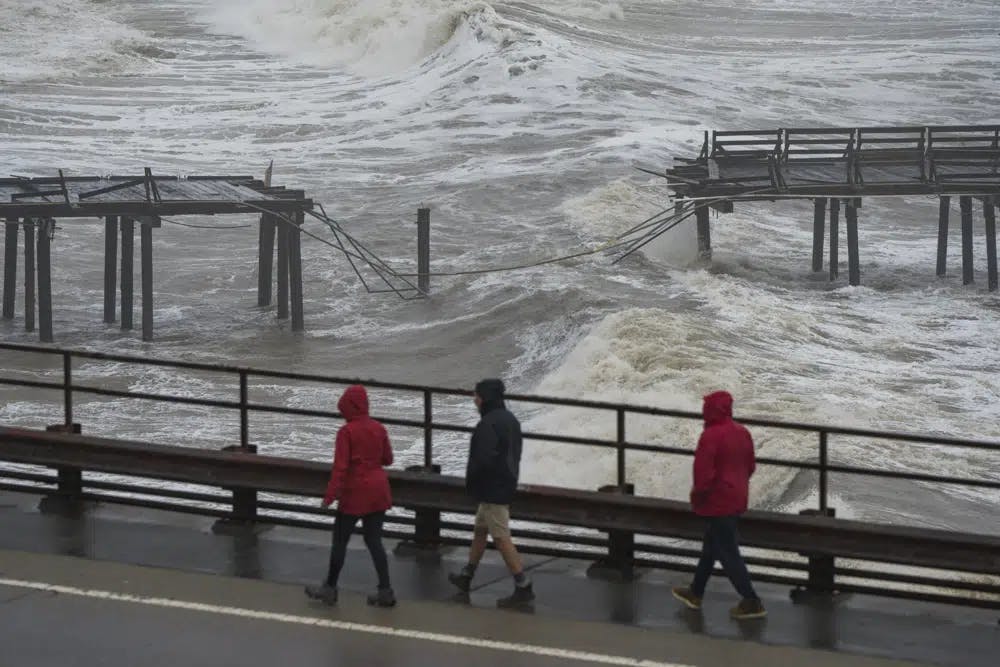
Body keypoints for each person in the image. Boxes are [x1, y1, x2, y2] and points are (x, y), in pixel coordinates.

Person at [672, 390, 766, 620]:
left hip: (717, 500)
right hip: (737, 497)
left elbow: (703, 476)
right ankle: (695, 592)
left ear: (711, 410)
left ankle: (751, 600)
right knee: (712, 545)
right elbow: (750, 466)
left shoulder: (711, 436)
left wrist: (697, 495)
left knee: (727, 551)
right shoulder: (742, 432)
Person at [306, 384, 396, 608]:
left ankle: (330, 588)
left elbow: (340, 469)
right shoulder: (379, 428)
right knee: (374, 541)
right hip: (378, 490)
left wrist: (329, 497)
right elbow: (388, 460)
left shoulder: (346, 432)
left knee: (340, 541)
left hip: (355, 492)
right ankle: (385, 591)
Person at [449, 378, 535, 607]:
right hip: (505, 482)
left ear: (485, 398)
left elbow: (482, 460)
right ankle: (466, 576)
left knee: (500, 536)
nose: (474, 400)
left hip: (492, 489)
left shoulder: (488, 424)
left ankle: (523, 585)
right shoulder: (510, 420)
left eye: (476, 395)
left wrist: (473, 485)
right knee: (480, 530)